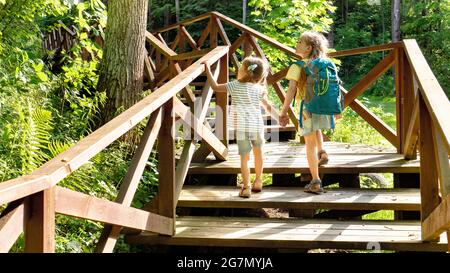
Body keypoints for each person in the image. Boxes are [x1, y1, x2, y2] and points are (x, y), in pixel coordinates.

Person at [202, 56, 274, 198]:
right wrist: (281, 117)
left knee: (244, 158)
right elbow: (268, 107)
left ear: (245, 71)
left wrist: (207, 69)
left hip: (242, 129)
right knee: (259, 154)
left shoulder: (234, 85)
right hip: (257, 127)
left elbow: (215, 87)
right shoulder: (259, 89)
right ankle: (258, 181)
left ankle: (246, 187)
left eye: (240, 68)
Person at [279, 31, 341, 193]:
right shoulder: (326, 63)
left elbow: (291, 90)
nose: (296, 43)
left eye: (300, 42)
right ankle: (323, 152)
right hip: (323, 107)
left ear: (307, 48)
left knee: (309, 144)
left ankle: (315, 181)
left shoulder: (297, 66)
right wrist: (338, 107)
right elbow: (336, 86)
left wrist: (284, 111)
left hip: (306, 109)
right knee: (316, 130)